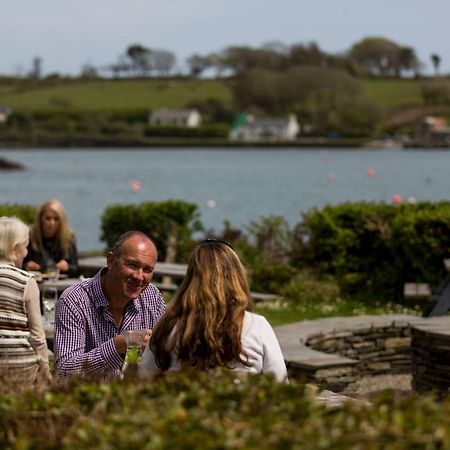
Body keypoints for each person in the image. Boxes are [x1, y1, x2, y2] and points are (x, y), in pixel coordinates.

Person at [139, 239, 288, 382]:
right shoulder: (257, 326)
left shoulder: (168, 326)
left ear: (191, 278)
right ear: (236, 277)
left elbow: (143, 377)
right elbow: (280, 385)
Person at [53, 230, 166, 381]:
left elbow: (164, 356)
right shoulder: (75, 300)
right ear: (111, 261)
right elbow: (64, 372)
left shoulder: (152, 297)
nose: (139, 276)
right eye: (132, 265)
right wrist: (118, 344)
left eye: (147, 270)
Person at [0, 217, 51, 386]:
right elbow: (37, 336)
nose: (27, 253)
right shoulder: (26, 281)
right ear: (14, 249)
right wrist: (45, 373)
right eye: (25, 247)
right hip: (21, 369)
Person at [23, 198, 78, 277]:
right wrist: (26, 266)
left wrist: (67, 267)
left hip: (61, 284)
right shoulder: (29, 236)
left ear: (61, 221)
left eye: (56, 219)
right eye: (48, 218)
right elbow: (18, 264)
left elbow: (75, 268)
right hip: (35, 282)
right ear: (40, 219)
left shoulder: (68, 238)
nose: (52, 222)